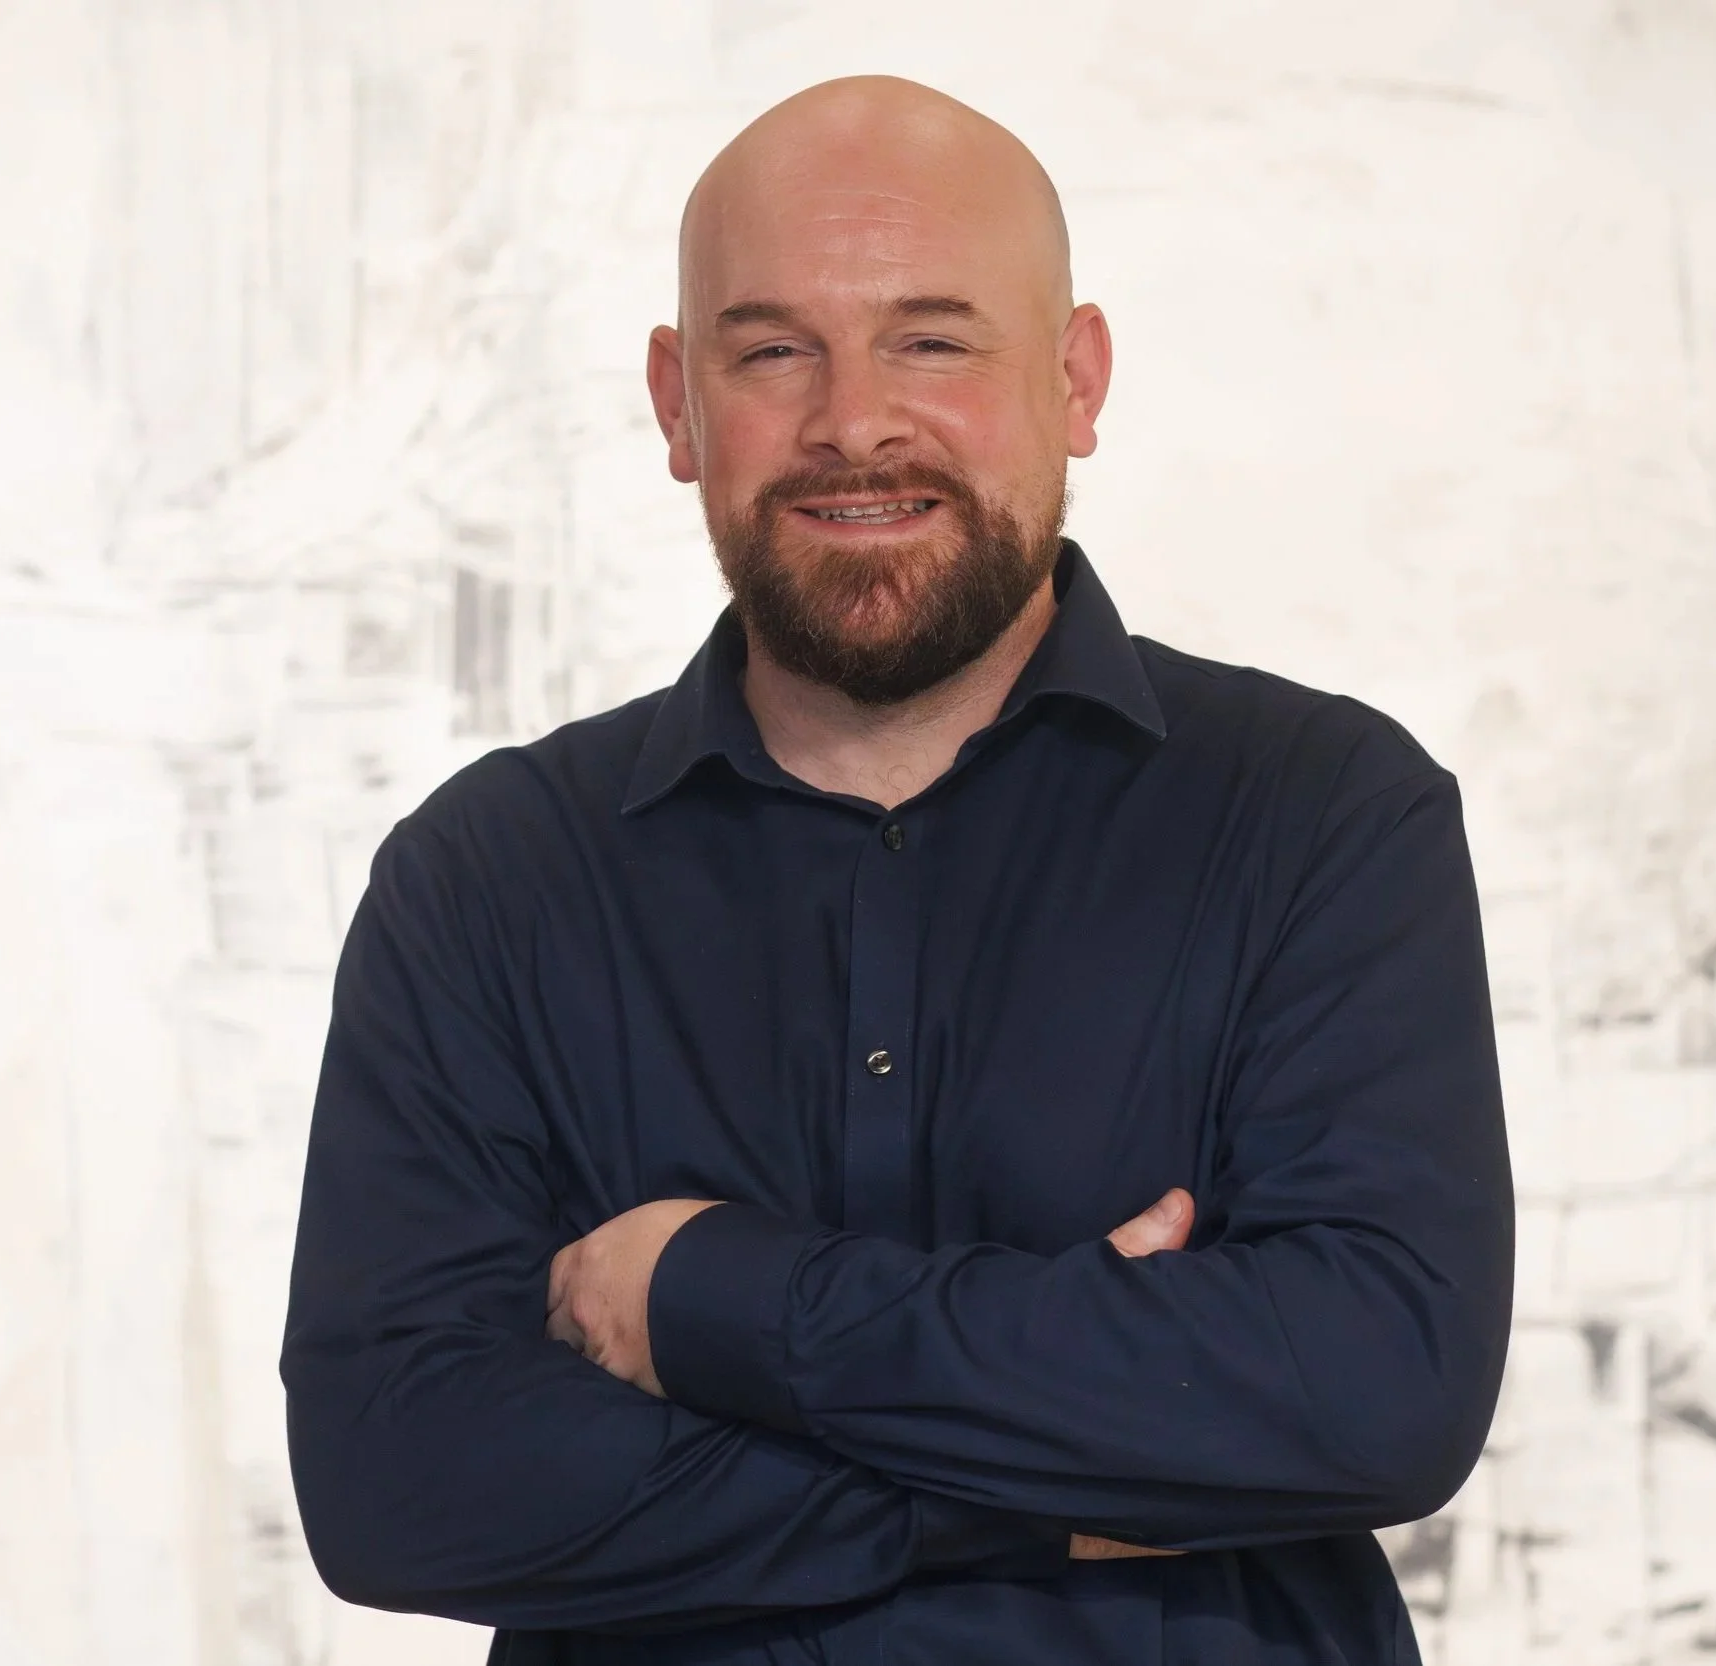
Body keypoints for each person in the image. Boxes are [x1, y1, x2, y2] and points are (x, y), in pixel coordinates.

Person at [282, 73, 1513, 1666]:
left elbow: (1373, 1392)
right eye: (772, 348)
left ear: (1074, 379)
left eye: (932, 338)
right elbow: (399, 1480)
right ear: (676, 401)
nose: (853, 418)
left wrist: (705, 1296)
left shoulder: (1324, 815)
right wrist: (1053, 1472)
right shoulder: (487, 877)